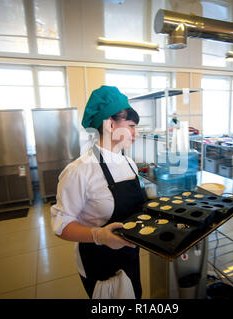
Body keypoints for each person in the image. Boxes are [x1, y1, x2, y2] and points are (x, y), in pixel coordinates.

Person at [50, 85, 146, 299]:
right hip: (99, 263)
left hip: (130, 255)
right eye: (131, 125)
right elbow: (61, 226)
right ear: (111, 124)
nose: (135, 133)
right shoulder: (80, 171)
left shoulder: (129, 163)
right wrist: (98, 235)